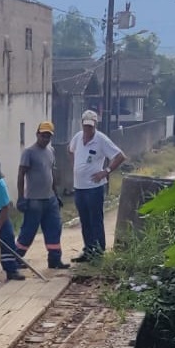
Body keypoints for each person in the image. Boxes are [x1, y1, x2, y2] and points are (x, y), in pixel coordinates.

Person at [68, 109, 125, 263]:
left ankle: (99, 253)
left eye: (90, 127)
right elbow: (70, 150)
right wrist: (75, 167)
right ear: (82, 125)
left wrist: (105, 171)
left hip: (94, 187)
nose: (88, 130)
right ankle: (88, 250)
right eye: (85, 126)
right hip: (79, 187)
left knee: (96, 219)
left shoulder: (101, 140)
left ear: (95, 125)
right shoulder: (77, 137)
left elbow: (120, 156)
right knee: (84, 220)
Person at [16, 121, 69, 270]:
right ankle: (15, 258)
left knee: (54, 228)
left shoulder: (50, 151)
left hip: (50, 199)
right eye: (43, 135)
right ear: (37, 134)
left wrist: (56, 194)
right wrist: (21, 197)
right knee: (28, 231)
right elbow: (21, 174)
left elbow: (51, 173)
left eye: (48, 136)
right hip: (34, 200)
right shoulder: (29, 152)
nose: (45, 138)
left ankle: (54, 260)